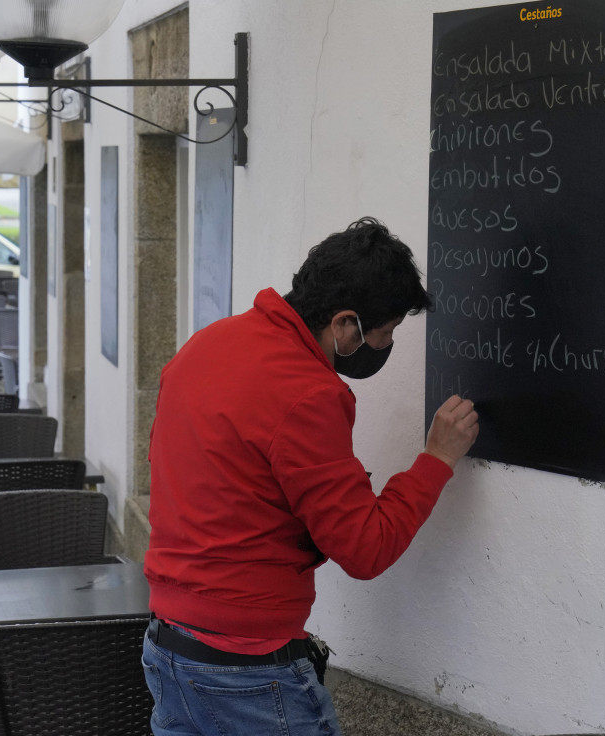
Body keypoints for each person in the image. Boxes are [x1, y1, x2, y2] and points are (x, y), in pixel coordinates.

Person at [142, 217, 479, 735]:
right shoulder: (307, 394)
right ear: (346, 324)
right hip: (247, 671)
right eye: (384, 332)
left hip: (168, 649)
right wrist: (436, 460)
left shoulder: (205, 346)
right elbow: (366, 550)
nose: (385, 345)